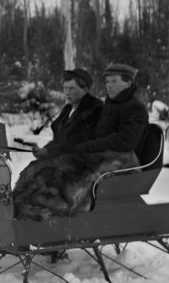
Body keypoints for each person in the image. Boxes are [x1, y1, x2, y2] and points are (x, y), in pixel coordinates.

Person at [13, 62, 149, 221]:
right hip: (101, 156)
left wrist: (88, 147)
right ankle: (28, 207)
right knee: (44, 168)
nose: (109, 86)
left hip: (121, 161)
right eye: (107, 81)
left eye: (114, 81)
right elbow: (96, 136)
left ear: (128, 83)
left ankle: (62, 210)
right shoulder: (109, 106)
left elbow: (125, 141)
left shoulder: (134, 108)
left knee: (62, 172)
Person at [32, 68, 102, 160]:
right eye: (65, 88)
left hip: (83, 160)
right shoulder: (68, 109)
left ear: (84, 90)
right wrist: (45, 149)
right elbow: (59, 140)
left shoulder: (94, 109)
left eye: (72, 88)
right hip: (63, 157)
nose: (67, 92)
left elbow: (80, 141)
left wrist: (49, 152)